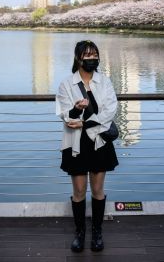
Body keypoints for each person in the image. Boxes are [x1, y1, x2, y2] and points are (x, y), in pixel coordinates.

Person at [55, 40, 119, 253]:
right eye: (88, 55)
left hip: (99, 141)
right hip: (76, 143)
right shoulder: (66, 84)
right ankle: (80, 233)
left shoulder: (105, 81)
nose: (92, 59)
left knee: (98, 190)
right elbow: (65, 116)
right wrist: (75, 109)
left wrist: (85, 123)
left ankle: (97, 232)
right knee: (79, 190)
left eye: (95, 55)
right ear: (78, 58)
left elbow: (111, 110)